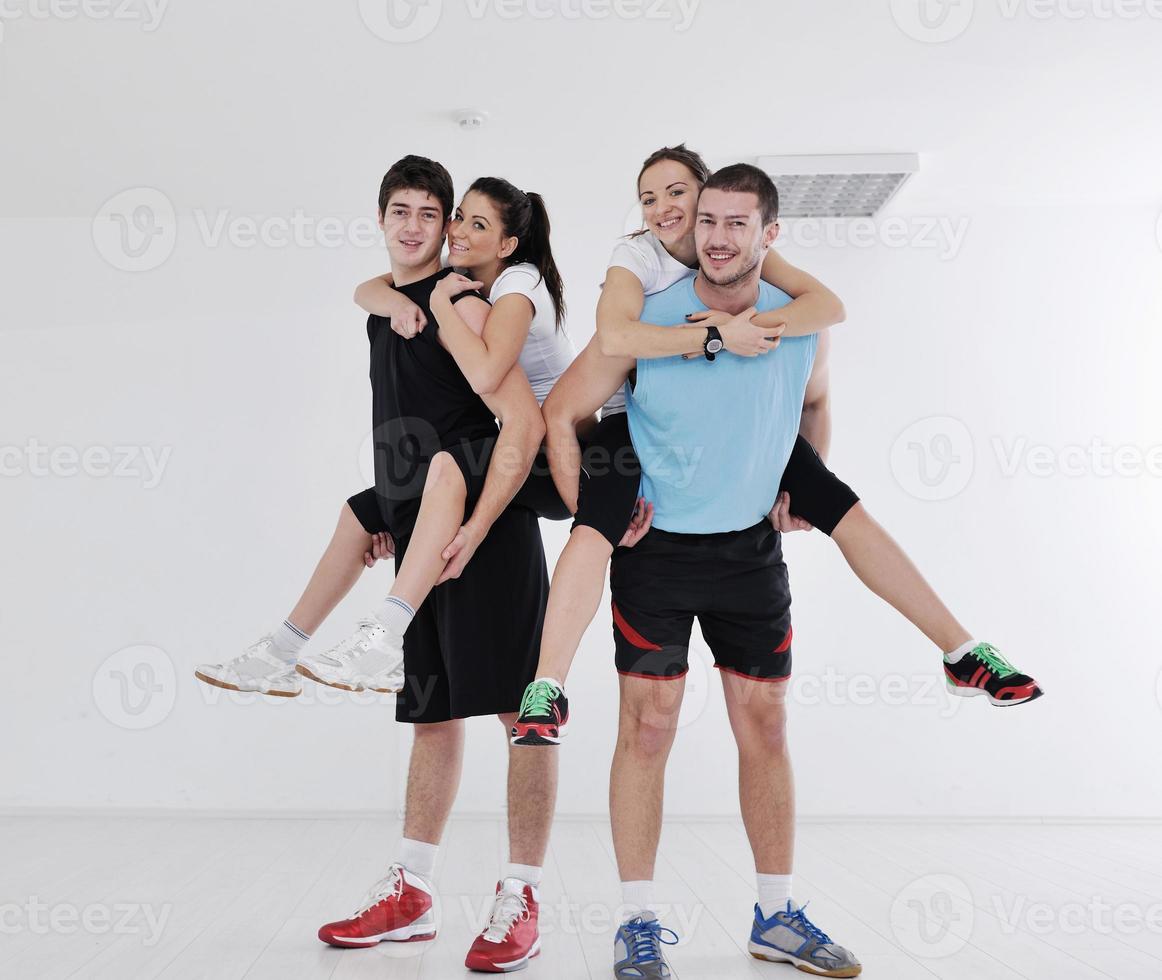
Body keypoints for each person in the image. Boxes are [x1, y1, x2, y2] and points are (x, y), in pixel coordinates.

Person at [510, 145, 1041, 746]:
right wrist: (716, 336)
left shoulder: (749, 252)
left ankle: (961, 650)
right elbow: (612, 338)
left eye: (680, 194)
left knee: (843, 505)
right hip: (636, 428)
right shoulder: (638, 259)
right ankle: (546, 685)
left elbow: (828, 309)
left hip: (752, 437)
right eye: (650, 198)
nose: (666, 209)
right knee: (593, 531)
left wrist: (793, 482)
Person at [197, 156, 556, 972]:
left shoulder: (460, 300)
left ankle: (522, 893)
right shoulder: (389, 305)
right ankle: (414, 891)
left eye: (434, 215)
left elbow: (517, 418)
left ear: (450, 230)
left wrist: (472, 516)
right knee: (431, 717)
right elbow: (371, 294)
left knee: (521, 717)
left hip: (479, 532)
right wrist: (385, 298)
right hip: (413, 520)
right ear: (383, 218)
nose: (417, 226)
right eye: (403, 211)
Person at [603, 163, 862, 978]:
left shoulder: (797, 323)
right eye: (703, 219)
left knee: (768, 725)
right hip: (656, 551)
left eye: (733, 222)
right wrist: (607, 499)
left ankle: (777, 916)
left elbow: (816, 402)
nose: (714, 235)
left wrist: (802, 478)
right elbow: (574, 407)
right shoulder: (646, 314)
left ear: (766, 234)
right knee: (648, 728)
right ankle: (636, 922)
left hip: (751, 551)